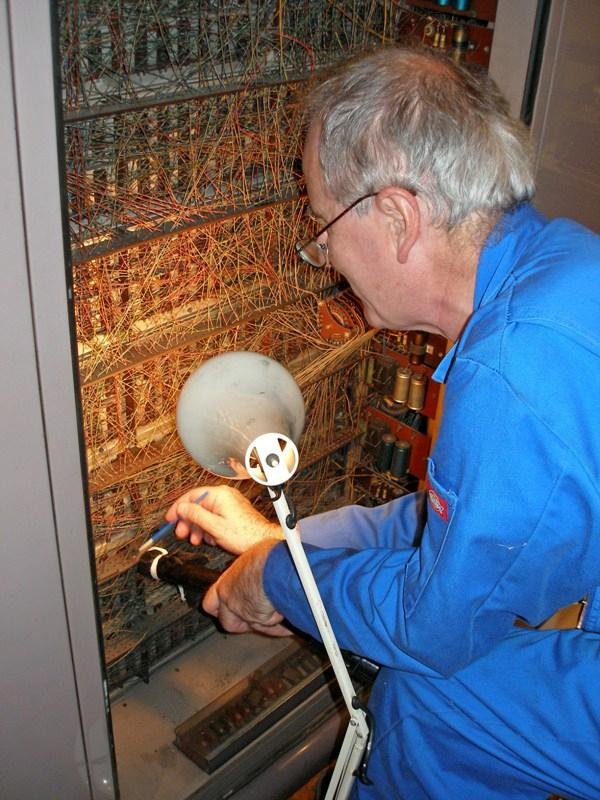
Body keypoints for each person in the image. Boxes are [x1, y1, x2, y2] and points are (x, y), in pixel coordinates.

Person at [166, 47, 600, 799]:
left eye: (321, 222)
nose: (322, 251)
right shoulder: (562, 267)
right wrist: (296, 547)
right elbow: (470, 534)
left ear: (398, 217)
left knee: (432, 697)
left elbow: (437, 627)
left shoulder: (510, 373)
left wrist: (274, 581)